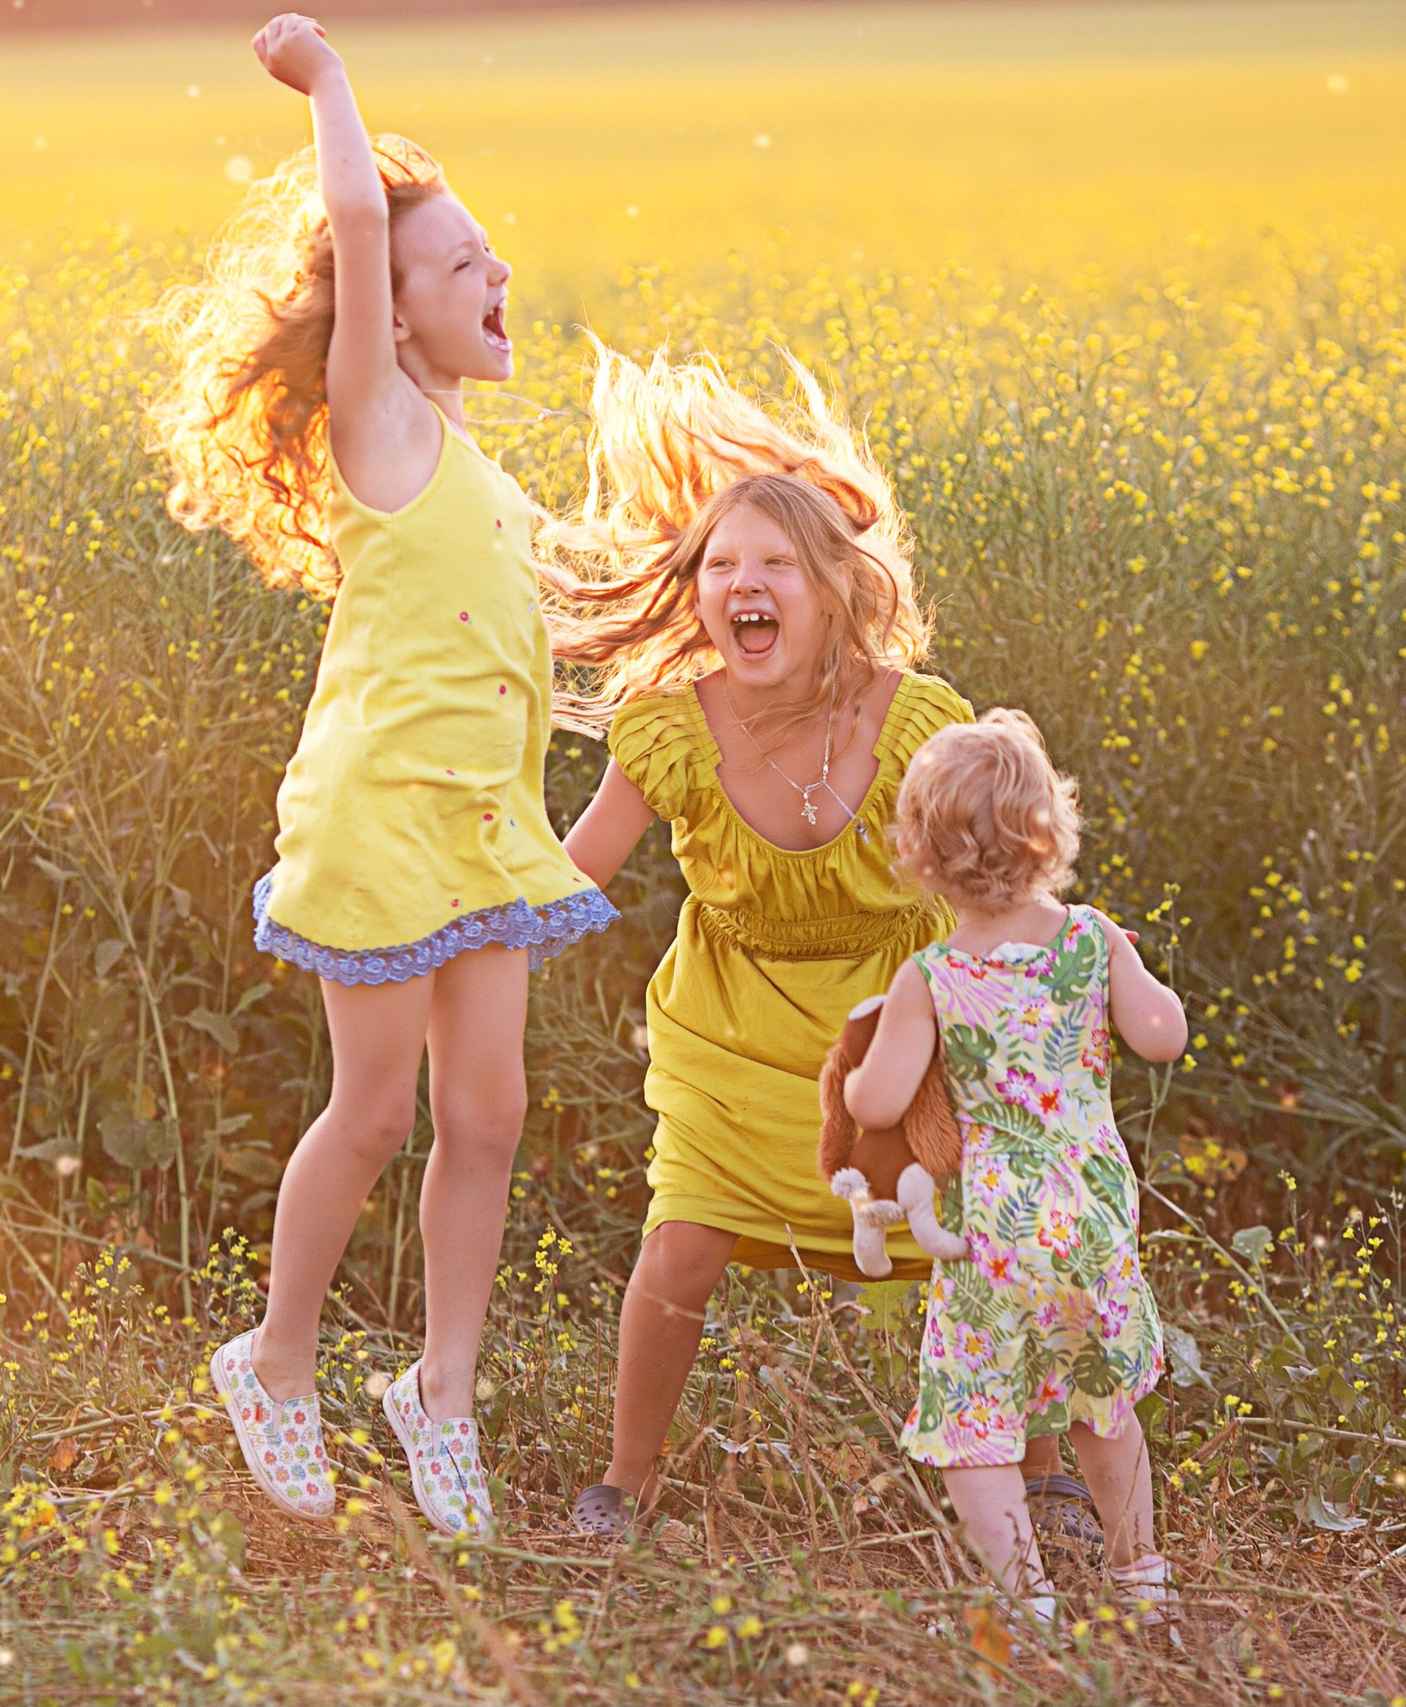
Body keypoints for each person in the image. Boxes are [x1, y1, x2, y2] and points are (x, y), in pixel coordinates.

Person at [147, 12, 615, 1538]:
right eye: (461, 262)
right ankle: (275, 1359)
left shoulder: (478, 469)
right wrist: (331, 82)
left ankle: (440, 1390)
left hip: (482, 829)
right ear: (390, 315)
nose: (496, 274)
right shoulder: (385, 427)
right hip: (379, 825)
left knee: (489, 1112)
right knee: (373, 1112)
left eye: (490, 253)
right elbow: (356, 216)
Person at [551, 349, 970, 1536]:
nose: (744, 582)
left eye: (775, 563)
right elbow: (571, 877)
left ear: (831, 591)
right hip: (728, 1029)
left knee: (976, 1247)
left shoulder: (916, 720)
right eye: (720, 565)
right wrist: (453, 922)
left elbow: (988, 870)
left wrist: (1051, 959)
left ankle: (1037, 1468)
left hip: (896, 1027)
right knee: (682, 1245)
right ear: (697, 598)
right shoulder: (670, 733)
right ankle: (625, 1479)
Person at [843, 709, 1183, 1625]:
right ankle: (1140, 1574)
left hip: (993, 1233)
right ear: (1050, 831)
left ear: (919, 853)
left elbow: (877, 1103)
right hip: (1090, 1220)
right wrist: (1131, 972)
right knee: (1102, 1402)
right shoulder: (1091, 938)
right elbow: (1163, 1035)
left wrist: (860, 1064)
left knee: (976, 1423)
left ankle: (1026, 1601)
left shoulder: (932, 976)